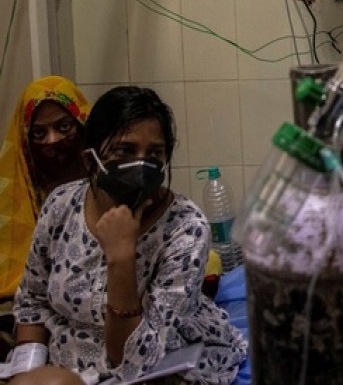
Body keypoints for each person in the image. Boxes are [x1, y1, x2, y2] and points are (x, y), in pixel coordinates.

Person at [10, 86, 246, 383]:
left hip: (156, 365)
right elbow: (33, 302)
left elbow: (134, 362)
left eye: (155, 153)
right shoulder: (60, 206)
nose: (141, 163)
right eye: (125, 150)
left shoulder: (185, 228)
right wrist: (28, 372)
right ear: (89, 160)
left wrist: (121, 256)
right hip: (64, 362)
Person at [0, 76, 90, 359]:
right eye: (39, 133)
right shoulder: (15, 193)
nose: (53, 141)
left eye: (63, 127)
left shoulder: (107, 184)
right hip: (22, 313)